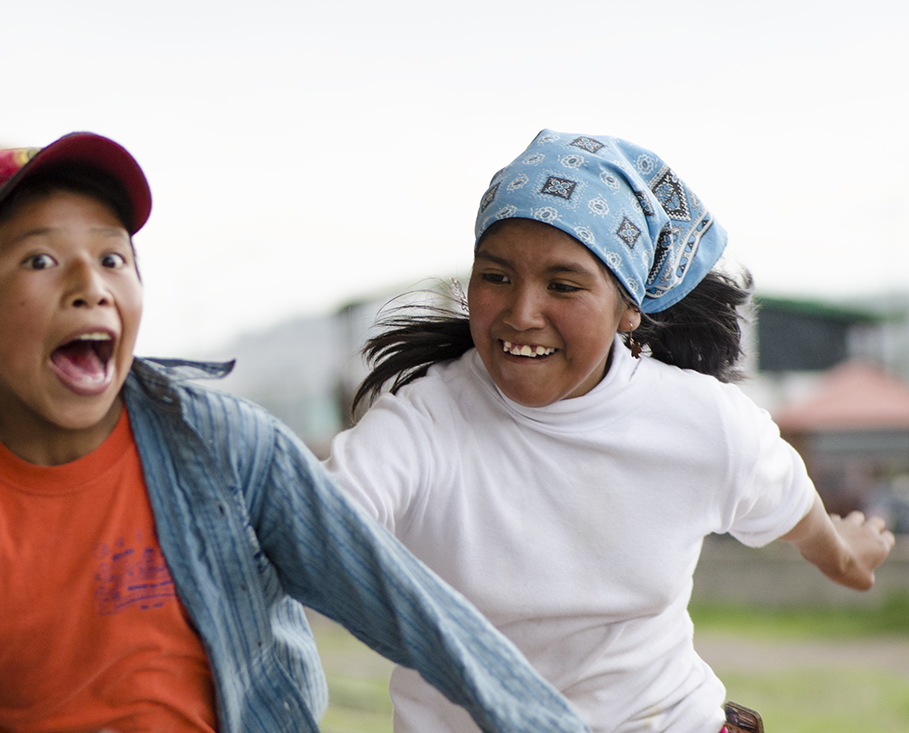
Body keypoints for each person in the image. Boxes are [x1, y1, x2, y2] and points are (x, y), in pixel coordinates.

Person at [0, 132, 589, 733]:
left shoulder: (230, 446)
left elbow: (414, 609)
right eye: (41, 259)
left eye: (113, 256)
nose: (91, 285)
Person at [325, 128, 897, 733]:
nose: (522, 313)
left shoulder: (703, 423)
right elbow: (315, 519)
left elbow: (793, 508)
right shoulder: (423, 422)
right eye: (496, 277)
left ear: (629, 307)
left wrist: (843, 557)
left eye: (563, 286)